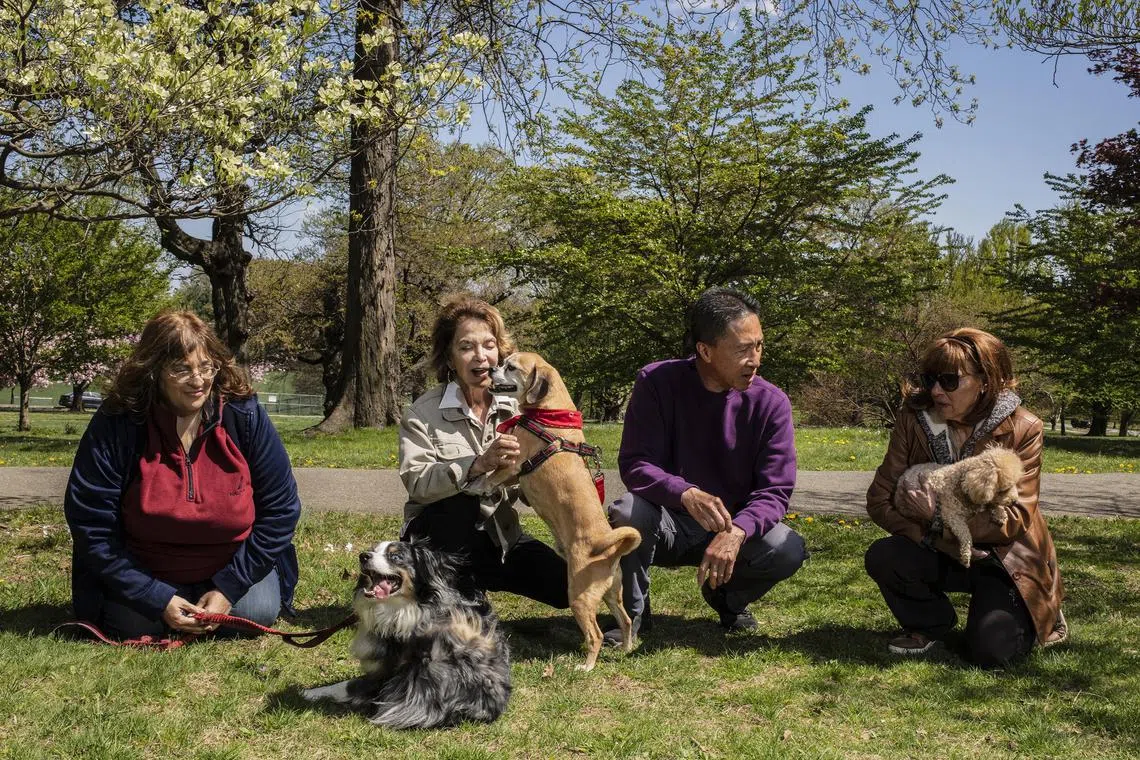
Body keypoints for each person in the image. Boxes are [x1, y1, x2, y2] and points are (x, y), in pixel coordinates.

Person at [64, 310, 301, 639]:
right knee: (133, 624)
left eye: (206, 367)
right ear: (153, 371)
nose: (199, 380)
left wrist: (229, 589)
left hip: (232, 563)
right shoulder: (117, 422)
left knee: (256, 612)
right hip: (144, 567)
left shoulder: (244, 416)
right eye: (182, 369)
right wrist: (154, 596)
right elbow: (91, 523)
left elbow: (282, 509)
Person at [606, 287, 808, 643]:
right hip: (667, 522)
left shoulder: (771, 403)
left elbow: (775, 491)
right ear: (705, 350)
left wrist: (738, 530)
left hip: (731, 528)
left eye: (759, 345)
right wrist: (684, 493)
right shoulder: (656, 382)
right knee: (627, 511)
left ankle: (727, 599)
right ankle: (632, 615)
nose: (756, 359)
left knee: (787, 547)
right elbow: (636, 464)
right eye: (743, 349)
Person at [864, 328, 1068, 667]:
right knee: (885, 556)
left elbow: (1013, 521)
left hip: (1004, 558)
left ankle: (1039, 607)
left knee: (992, 652)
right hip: (938, 548)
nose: (935, 391)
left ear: (985, 380)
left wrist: (936, 517)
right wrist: (934, 537)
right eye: (929, 379)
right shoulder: (913, 419)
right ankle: (930, 624)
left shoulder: (1024, 427)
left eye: (948, 380)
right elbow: (879, 500)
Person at [398, 295, 568, 608]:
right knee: (459, 504)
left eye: (489, 345)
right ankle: (447, 589)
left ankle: (471, 583)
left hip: (500, 537)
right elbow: (418, 483)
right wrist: (478, 464)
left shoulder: (520, 409)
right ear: (449, 359)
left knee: (566, 587)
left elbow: (535, 485)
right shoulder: (421, 413)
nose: (481, 356)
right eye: (466, 347)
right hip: (438, 540)